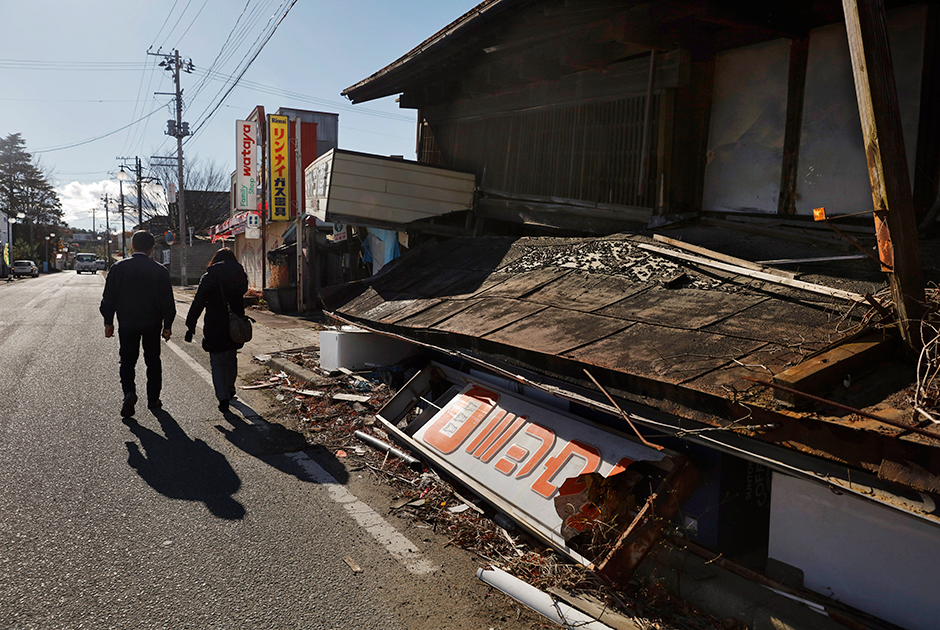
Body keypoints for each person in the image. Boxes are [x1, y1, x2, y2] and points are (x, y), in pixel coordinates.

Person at [100, 231, 176, 418]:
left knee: (127, 360)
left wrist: (108, 321)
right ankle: (153, 399)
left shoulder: (118, 268)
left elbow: (108, 298)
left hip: (127, 323)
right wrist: (168, 325)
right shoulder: (159, 270)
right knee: (153, 361)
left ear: (132, 246)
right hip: (152, 323)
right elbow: (168, 302)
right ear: (151, 249)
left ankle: (129, 393)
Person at [183, 248, 249, 413]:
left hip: (214, 324)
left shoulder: (209, 276)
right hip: (235, 324)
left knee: (217, 362)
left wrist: (190, 325)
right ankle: (230, 388)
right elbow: (244, 292)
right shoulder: (240, 275)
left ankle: (222, 398)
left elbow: (198, 302)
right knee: (231, 356)